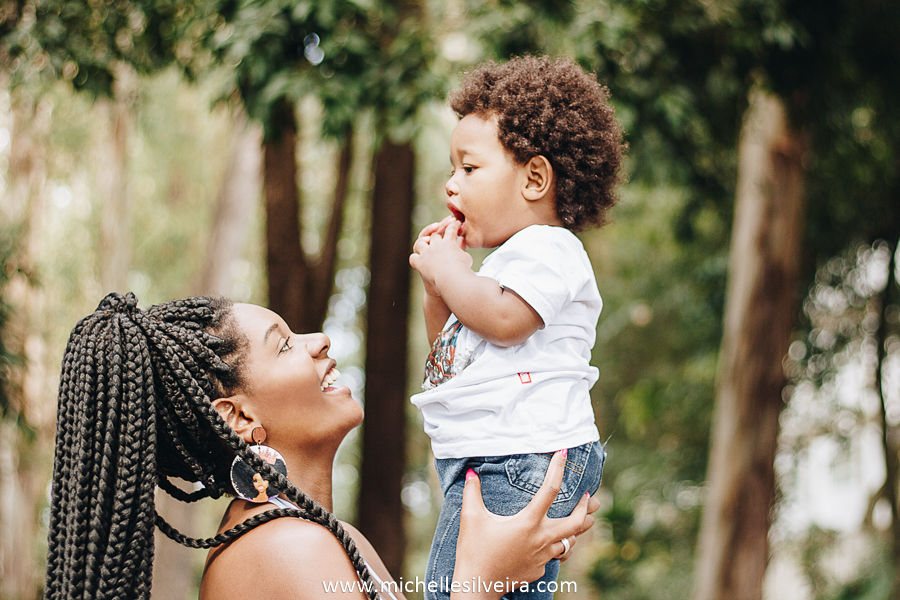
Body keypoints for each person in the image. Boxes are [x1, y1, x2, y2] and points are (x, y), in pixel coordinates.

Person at [44, 292, 599, 600]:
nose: (319, 341)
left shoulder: (326, 537)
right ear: (239, 418)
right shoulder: (282, 549)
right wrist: (480, 583)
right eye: (284, 345)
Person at [409, 55, 625, 600]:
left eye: (469, 169)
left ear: (534, 177)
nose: (450, 186)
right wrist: (439, 287)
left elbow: (504, 323)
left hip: (520, 458)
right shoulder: (503, 271)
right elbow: (448, 354)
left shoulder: (552, 250)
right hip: (502, 455)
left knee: (448, 589)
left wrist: (454, 273)